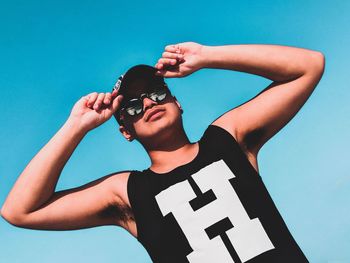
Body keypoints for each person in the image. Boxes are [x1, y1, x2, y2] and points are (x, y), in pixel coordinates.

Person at [1, 42, 324, 262]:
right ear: (125, 131)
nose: (147, 103)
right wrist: (76, 126)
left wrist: (207, 56)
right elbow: (20, 211)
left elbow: (308, 66)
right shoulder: (126, 192)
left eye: (156, 92)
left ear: (177, 103)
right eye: (130, 106)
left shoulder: (228, 140)